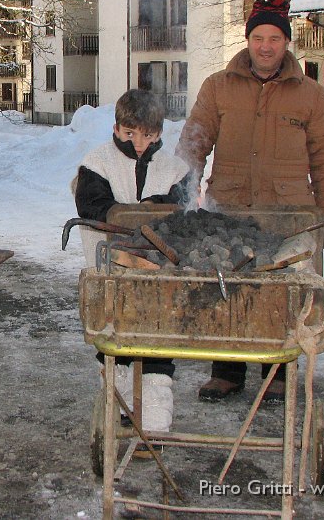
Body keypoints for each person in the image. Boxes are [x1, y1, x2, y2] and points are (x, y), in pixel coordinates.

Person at [175, 0, 324, 403]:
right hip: (228, 207)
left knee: (282, 290)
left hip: (287, 211)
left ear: (286, 42)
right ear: (247, 41)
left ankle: (279, 372)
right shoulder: (218, 86)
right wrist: (183, 192)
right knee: (227, 287)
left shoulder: (309, 94)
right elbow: (194, 142)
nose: (265, 46)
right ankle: (227, 371)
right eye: (258, 38)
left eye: (274, 38)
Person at [73, 89, 190, 431]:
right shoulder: (97, 164)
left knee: (156, 342)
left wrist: (156, 209)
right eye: (130, 134)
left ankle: (152, 424)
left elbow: (182, 208)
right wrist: (134, 216)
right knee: (115, 341)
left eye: (148, 136)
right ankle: (119, 408)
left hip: (160, 278)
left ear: (159, 134)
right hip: (110, 273)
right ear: (116, 129)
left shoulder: (174, 169)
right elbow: (92, 206)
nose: (139, 144)